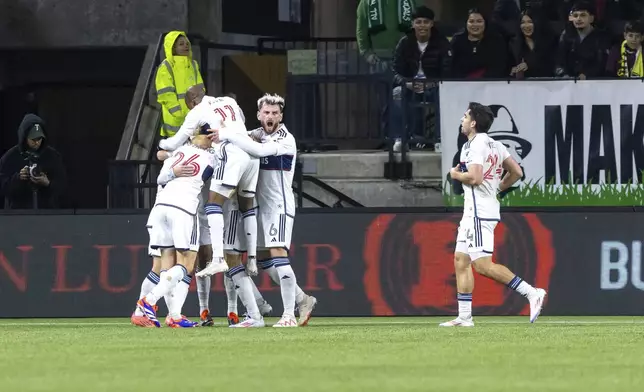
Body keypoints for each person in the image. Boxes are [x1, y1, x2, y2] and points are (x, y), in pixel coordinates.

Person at [209, 93, 317, 328]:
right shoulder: (253, 135)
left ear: (281, 116)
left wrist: (227, 134)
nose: (270, 116)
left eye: (275, 113)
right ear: (258, 115)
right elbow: (238, 143)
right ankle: (300, 300)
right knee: (264, 261)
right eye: (266, 112)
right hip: (255, 207)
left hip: (278, 206)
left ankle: (288, 314)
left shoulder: (286, 139)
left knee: (278, 253)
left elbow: (258, 152)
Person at [440, 102, 547, 327]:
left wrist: (455, 175)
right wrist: (497, 188)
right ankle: (465, 317)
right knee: (461, 260)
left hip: (479, 212)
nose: (462, 120)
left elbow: (476, 178)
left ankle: (532, 293)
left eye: (465, 116)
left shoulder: (475, 145)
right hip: (475, 211)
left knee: (482, 265)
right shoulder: (496, 144)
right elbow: (516, 172)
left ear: (474, 122)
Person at [136, 135, 214, 328]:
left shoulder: (178, 152)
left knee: (166, 264)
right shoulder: (213, 156)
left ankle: (175, 316)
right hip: (184, 208)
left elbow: (161, 178)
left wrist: (173, 169)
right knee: (187, 265)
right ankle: (149, 301)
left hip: (161, 207)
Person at [0, 114, 66, 209]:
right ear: (24, 137)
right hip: (17, 215)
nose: (37, 142)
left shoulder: (53, 156)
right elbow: (2, 186)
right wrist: (18, 178)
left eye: (39, 138)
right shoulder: (10, 157)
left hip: (47, 214)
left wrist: (48, 183)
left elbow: (63, 187)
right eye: (33, 139)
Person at [156, 31, 205, 138]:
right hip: (175, 122)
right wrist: (178, 113)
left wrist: (199, 108)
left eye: (187, 43)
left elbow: (200, 88)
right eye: (181, 44)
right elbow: (165, 93)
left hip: (194, 117)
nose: (185, 46)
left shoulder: (193, 64)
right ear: (172, 47)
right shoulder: (166, 66)